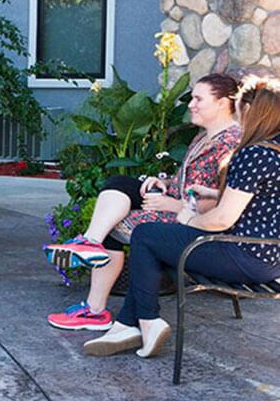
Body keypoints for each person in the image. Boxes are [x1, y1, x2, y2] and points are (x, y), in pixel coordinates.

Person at [84, 75, 280, 357]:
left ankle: (145, 321)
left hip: (244, 255)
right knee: (156, 241)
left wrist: (189, 220)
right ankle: (129, 324)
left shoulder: (254, 154)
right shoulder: (273, 151)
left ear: (251, 111)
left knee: (146, 235)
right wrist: (213, 194)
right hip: (268, 257)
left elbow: (222, 220)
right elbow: (263, 202)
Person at [45, 73, 241, 331]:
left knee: (117, 227)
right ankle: (89, 242)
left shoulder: (231, 143)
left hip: (195, 221)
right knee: (119, 183)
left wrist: (175, 205)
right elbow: (187, 180)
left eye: (198, 99)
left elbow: (223, 200)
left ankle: (94, 310)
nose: (191, 104)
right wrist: (164, 183)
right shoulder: (203, 137)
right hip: (177, 204)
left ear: (222, 103)